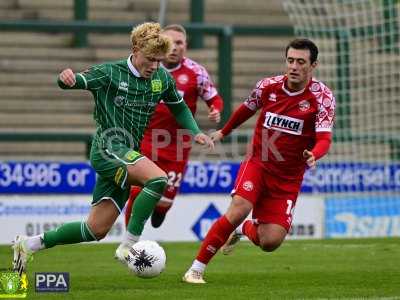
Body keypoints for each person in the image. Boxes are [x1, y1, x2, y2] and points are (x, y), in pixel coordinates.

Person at [11, 22, 214, 275]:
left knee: (94, 230)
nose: (154, 66)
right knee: (158, 179)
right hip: (108, 147)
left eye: (159, 61)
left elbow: (179, 106)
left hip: (126, 153)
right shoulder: (110, 73)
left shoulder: (161, 78)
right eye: (150, 59)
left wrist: (196, 132)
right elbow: (76, 82)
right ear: (135, 49)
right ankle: (129, 246)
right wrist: (66, 79)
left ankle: (27, 244)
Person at [182, 38, 336, 284]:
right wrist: (223, 131)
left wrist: (315, 153)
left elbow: (325, 139)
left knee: (270, 241)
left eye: (301, 62)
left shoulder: (322, 97)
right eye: (290, 60)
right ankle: (196, 269)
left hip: (288, 177)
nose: (294, 66)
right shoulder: (268, 86)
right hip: (259, 162)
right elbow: (246, 109)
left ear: (313, 65)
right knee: (239, 208)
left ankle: (243, 230)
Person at [124, 24, 223, 229]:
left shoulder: (196, 72)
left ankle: (161, 210)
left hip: (177, 144)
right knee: (137, 189)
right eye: (171, 42)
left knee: (165, 201)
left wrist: (215, 109)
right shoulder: (149, 66)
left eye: (179, 43)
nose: (175, 47)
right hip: (147, 137)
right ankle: (130, 241)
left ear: (186, 46)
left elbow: (213, 97)